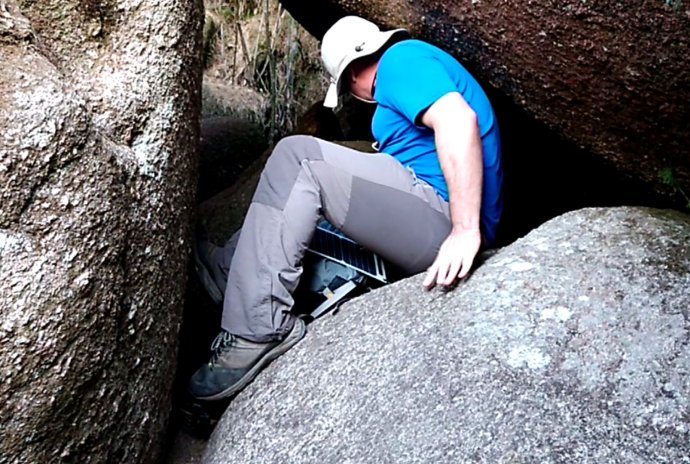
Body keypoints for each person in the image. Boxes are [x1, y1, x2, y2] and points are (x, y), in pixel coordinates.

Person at [188, 15, 504, 401]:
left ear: (353, 73)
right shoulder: (407, 71)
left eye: (346, 86)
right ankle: (227, 273)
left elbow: (459, 120)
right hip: (425, 209)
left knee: (298, 158)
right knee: (297, 203)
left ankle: (258, 327)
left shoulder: (400, 61)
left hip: (441, 216)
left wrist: (464, 230)